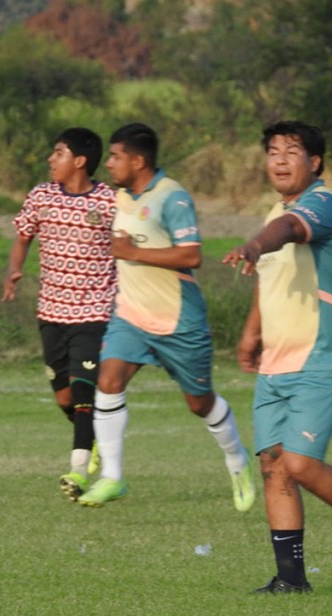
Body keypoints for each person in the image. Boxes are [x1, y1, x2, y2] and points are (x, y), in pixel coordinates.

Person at [223, 120, 332, 593]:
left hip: (324, 357)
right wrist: (251, 333)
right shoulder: (274, 212)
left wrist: (254, 243)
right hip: (278, 361)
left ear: (315, 162)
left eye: (291, 151)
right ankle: (291, 578)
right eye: (273, 152)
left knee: (300, 463)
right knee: (273, 464)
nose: (279, 160)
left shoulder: (324, 204)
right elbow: (271, 275)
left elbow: (287, 231)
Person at [76, 122, 255, 512]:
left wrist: (133, 252)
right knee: (108, 380)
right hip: (131, 315)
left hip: (178, 320)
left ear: (138, 161)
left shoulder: (172, 198)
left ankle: (237, 461)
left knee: (199, 403)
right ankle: (112, 477)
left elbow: (192, 255)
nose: (109, 164)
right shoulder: (118, 197)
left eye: (116, 157)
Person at [2, 127, 117, 501]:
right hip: (51, 312)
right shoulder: (41, 196)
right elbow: (23, 237)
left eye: (58, 152)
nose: (50, 159)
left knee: (83, 390)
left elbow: (130, 245)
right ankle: (91, 437)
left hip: (95, 312)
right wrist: (14, 270)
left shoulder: (109, 201)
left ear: (79, 161)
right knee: (65, 398)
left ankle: (78, 471)